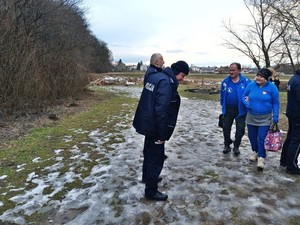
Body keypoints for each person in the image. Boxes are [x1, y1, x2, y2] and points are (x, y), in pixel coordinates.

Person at [133, 60, 189, 201]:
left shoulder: (155, 76)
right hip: (155, 126)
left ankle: (147, 177)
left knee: (148, 151)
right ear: (177, 72)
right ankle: (151, 190)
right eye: (183, 75)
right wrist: (163, 134)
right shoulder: (166, 83)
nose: (183, 79)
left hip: (147, 123)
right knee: (156, 159)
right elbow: (161, 110)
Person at [242, 68, 280, 171]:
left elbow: (276, 102)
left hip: (265, 117)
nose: (258, 78)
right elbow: (243, 96)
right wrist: (246, 103)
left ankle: (261, 158)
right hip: (251, 116)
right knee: (252, 136)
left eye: (261, 76)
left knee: (262, 138)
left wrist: (275, 116)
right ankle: (255, 151)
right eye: (258, 75)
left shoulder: (272, 88)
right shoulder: (251, 85)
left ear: (266, 78)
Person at [220, 62, 251, 156]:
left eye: (233, 70)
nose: (231, 72)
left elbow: (250, 94)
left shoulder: (246, 82)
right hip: (228, 109)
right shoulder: (225, 82)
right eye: (230, 70)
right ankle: (227, 144)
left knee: (240, 129)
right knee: (226, 128)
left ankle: (236, 145)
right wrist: (223, 105)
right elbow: (222, 95)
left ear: (239, 70)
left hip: (241, 110)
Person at [279, 69, 300, 175]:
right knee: (296, 140)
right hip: (298, 115)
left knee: (291, 137)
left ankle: (284, 161)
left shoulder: (293, 78)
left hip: (292, 113)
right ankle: (291, 166)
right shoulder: (298, 80)